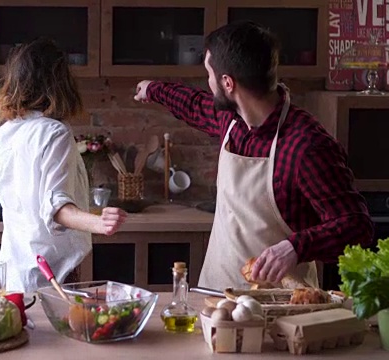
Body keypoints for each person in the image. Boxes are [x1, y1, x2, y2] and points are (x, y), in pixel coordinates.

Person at [134, 21, 373, 290]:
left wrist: (295, 247)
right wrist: (152, 89)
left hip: (281, 309)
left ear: (227, 83)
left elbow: (356, 227)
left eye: (209, 75)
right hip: (215, 296)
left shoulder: (307, 146)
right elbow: (194, 104)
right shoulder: (231, 120)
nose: (208, 82)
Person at [0, 38, 128, 293]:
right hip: (52, 272)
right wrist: (100, 224)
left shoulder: (0, 137)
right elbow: (56, 207)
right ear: (60, 82)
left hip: (13, 271)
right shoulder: (55, 133)